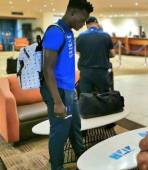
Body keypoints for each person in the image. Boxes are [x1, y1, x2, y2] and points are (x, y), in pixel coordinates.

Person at [41, 0, 93, 169]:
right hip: (59, 92)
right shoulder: (56, 32)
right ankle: (57, 167)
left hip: (69, 90)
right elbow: (47, 69)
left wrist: (73, 90)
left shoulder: (69, 32)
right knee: (59, 134)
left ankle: (82, 160)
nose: (83, 23)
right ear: (71, 12)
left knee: (75, 128)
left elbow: (66, 64)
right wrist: (57, 102)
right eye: (82, 18)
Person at [76, 16, 115, 93]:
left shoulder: (80, 36)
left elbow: (79, 53)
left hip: (85, 72)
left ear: (86, 25)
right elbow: (113, 54)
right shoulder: (106, 35)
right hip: (101, 72)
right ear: (97, 24)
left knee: (85, 96)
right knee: (103, 96)